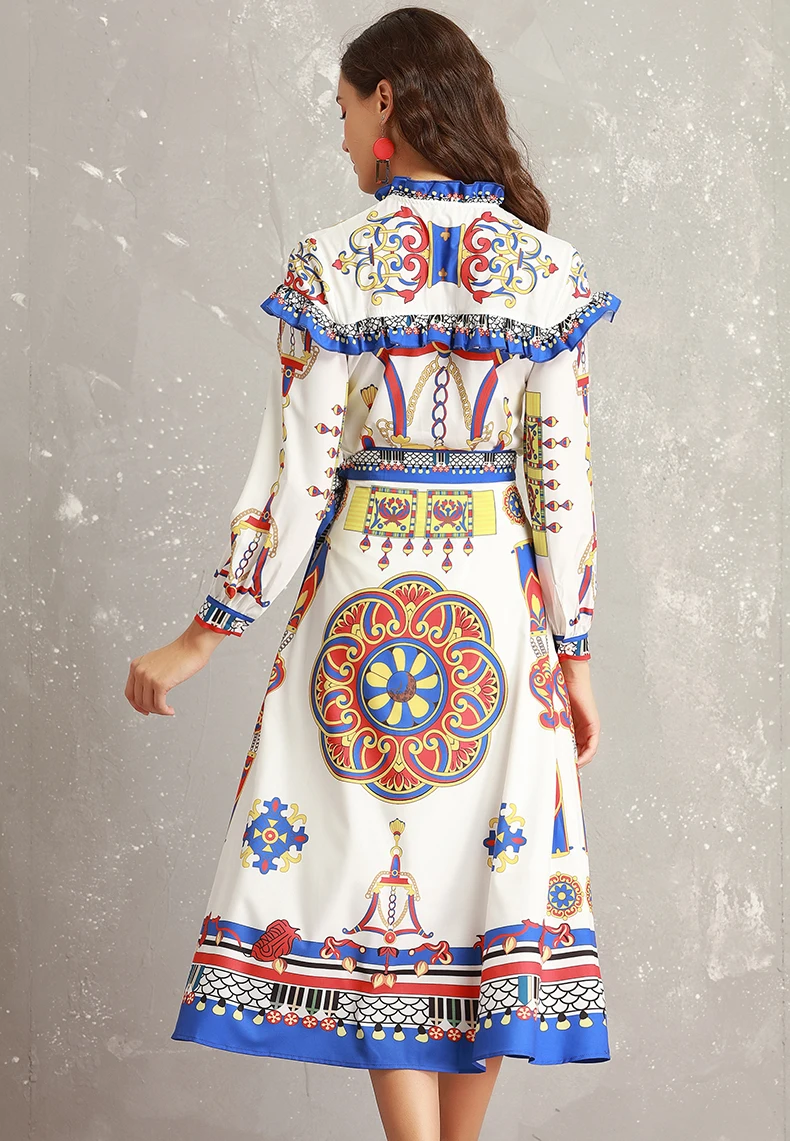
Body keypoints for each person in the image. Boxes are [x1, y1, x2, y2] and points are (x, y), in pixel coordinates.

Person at [126, 8, 621, 1140]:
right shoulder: (549, 272)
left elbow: (298, 474)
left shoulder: (333, 262)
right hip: (498, 617)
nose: (343, 134)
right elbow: (563, 483)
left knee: (370, 882)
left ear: (387, 100)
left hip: (361, 602)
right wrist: (576, 654)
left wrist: (203, 636)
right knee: (483, 885)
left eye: (345, 109)